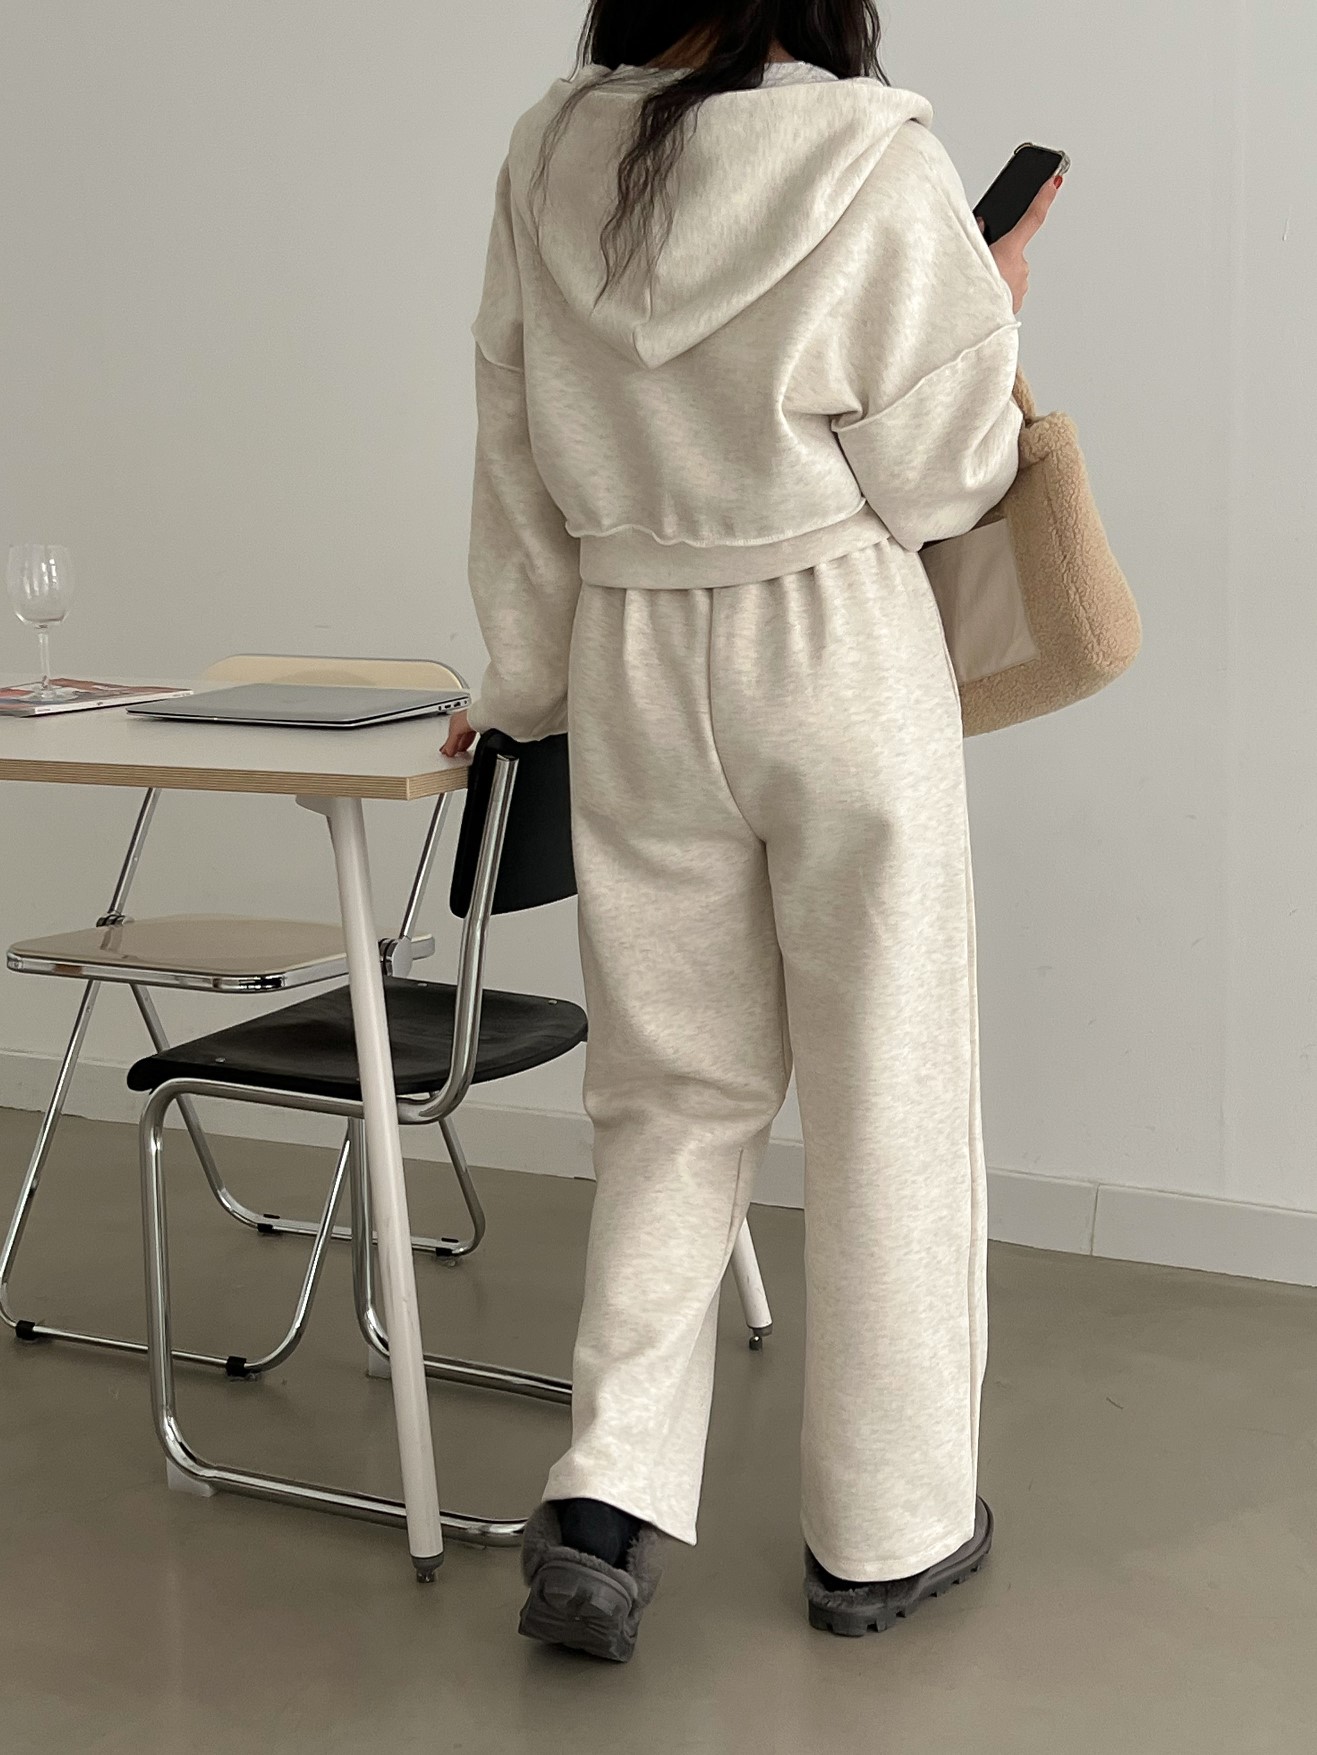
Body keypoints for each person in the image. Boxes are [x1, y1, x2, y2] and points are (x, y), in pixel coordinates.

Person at [442, 0, 1060, 1662]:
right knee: (886, 1087)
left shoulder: (546, 154)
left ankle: (601, 1501)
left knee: (668, 1097)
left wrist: (522, 688)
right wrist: (991, 301)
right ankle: (884, 1531)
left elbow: (512, 449)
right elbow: (942, 480)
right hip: (836, 645)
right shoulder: (870, 157)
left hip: (633, 650)